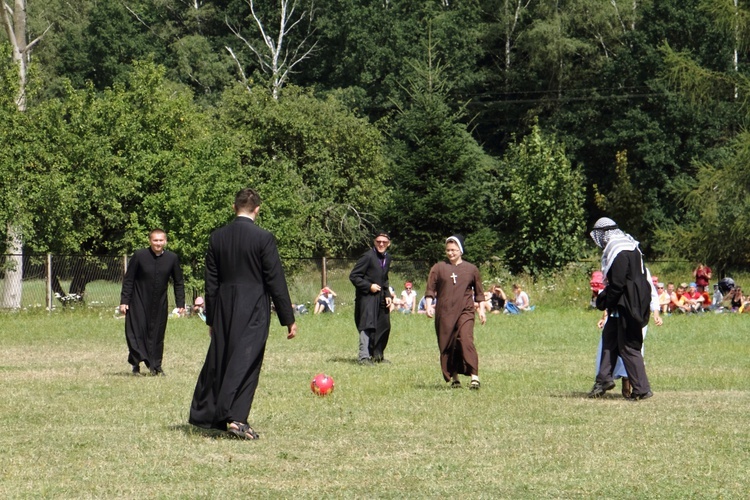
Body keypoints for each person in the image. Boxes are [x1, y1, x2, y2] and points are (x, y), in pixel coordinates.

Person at [189, 188, 297, 441]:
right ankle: (235, 418)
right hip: (254, 305)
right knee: (247, 360)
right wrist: (288, 318)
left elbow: (211, 282)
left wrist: (213, 318)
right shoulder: (263, 238)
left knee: (224, 357)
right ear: (257, 209)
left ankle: (215, 414)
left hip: (225, 304)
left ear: (233, 207)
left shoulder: (217, 237)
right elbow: (275, 280)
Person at [587, 217, 654, 401]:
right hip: (628, 301)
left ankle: (642, 389)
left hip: (628, 303)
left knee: (628, 347)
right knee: (609, 339)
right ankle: (603, 380)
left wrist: (605, 300)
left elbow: (617, 284)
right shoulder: (630, 245)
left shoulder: (619, 250)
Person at [119, 229, 185, 376]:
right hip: (138, 301)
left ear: (165, 241)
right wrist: (124, 301)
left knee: (157, 335)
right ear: (150, 241)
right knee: (137, 333)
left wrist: (181, 303)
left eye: (161, 240)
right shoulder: (139, 256)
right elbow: (129, 279)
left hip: (159, 303)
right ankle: (136, 364)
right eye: (155, 240)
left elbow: (178, 282)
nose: (158, 243)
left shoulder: (172, 258)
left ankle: (156, 366)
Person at [425, 235, 486, 390]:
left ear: (461, 250)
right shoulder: (438, 268)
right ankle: (455, 377)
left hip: (465, 310)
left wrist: (482, 311)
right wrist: (428, 305)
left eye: (454, 250)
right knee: (449, 344)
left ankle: (474, 377)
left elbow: (479, 293)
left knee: (465, 340)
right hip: (444, 312)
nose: (451, 253)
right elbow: (430, 289)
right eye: (448, 250)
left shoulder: (471, 269)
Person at [593, 268, 662, 398]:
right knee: (608, 347)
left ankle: (633, 387)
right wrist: (604, 316)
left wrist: (656, 313)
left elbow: (650, 294)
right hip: (615, 315)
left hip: (634, 316)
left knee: (629, 349)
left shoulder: (641, 270)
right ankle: (603, 381)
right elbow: (613, 293)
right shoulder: (615, 266)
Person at [349, 231, 393, 365]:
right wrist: (369, 286)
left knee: (384, 325)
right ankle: (364, 357)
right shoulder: (367, 256)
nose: (381, 244)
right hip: (367, 297)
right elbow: (354, 276)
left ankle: (377, 356)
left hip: (380, 297)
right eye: (378, 241)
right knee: (367, 325)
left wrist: (387, 295)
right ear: (374, 242)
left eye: (384, 242)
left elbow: (384, 278)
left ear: (388, 244)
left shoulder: (387, 258)